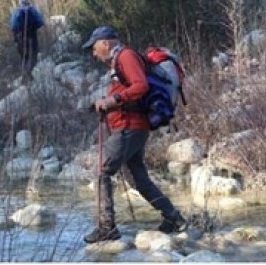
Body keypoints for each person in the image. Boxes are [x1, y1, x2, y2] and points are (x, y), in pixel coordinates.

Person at [81, 26, 188, 243]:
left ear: (106, 43)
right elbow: (131, 88)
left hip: (129, 127)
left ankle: (107, 227)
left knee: (101, 171)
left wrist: (113, 101)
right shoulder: (119, 60)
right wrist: (105, 104)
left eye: (94, 48)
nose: (94, 53)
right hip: (134, 127)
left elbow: (141, 86)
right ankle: (174, 218)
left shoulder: (126, 56)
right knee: (140, 180)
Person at [10, 0, 45, 82]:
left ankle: (24, 74)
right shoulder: (32, 10)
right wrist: (34, 27)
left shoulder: (16, 11)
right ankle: (29, 72)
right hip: (32, 36)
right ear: (28, 2)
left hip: (20, 37)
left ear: (20, 3)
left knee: (24, 56)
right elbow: (41, 22)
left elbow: (13, 26)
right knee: (34, 54)